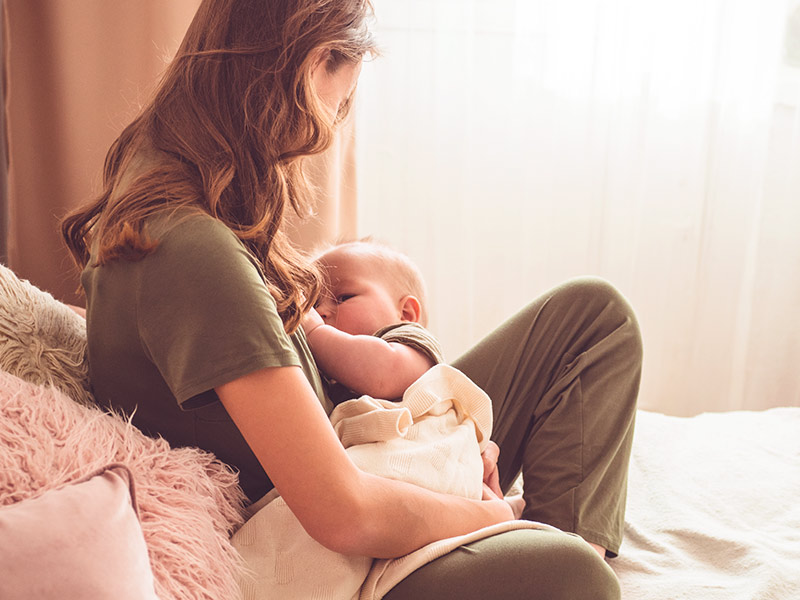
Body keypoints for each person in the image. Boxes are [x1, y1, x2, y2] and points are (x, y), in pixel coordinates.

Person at [60, 1, 641, 598]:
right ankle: (551, 546)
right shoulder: (192, 251)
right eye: (341, 102)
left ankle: (554, 540)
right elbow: (343, 513)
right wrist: (491, 516)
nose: (331, 129)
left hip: (359, 439)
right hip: (340, 554)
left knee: (593, 317)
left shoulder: (163, 185)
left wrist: (448, 440)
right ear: (315, 67)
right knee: (577, 576)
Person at [303, 238, 445, 404]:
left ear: (406, 313)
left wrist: (315, 332)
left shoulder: (412, 343)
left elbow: (383, 374)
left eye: (344, 298)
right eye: (313, 304)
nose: (319, 312)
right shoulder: (327, 374)